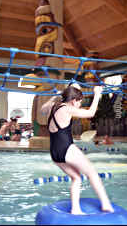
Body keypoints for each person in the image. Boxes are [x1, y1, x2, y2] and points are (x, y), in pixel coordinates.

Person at [41, 85, 114, 215]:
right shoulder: (67, 109)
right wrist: (97, 94)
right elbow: (91, 113)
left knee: (77, 178)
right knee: (92, 173)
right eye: (80, 102)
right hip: (67, 149)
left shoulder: (53, 107)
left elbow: (42, 109)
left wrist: (55, 96)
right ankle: (106, 205)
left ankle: (75, 209)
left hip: (55, 153)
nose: (80, 105)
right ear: (74, 100)